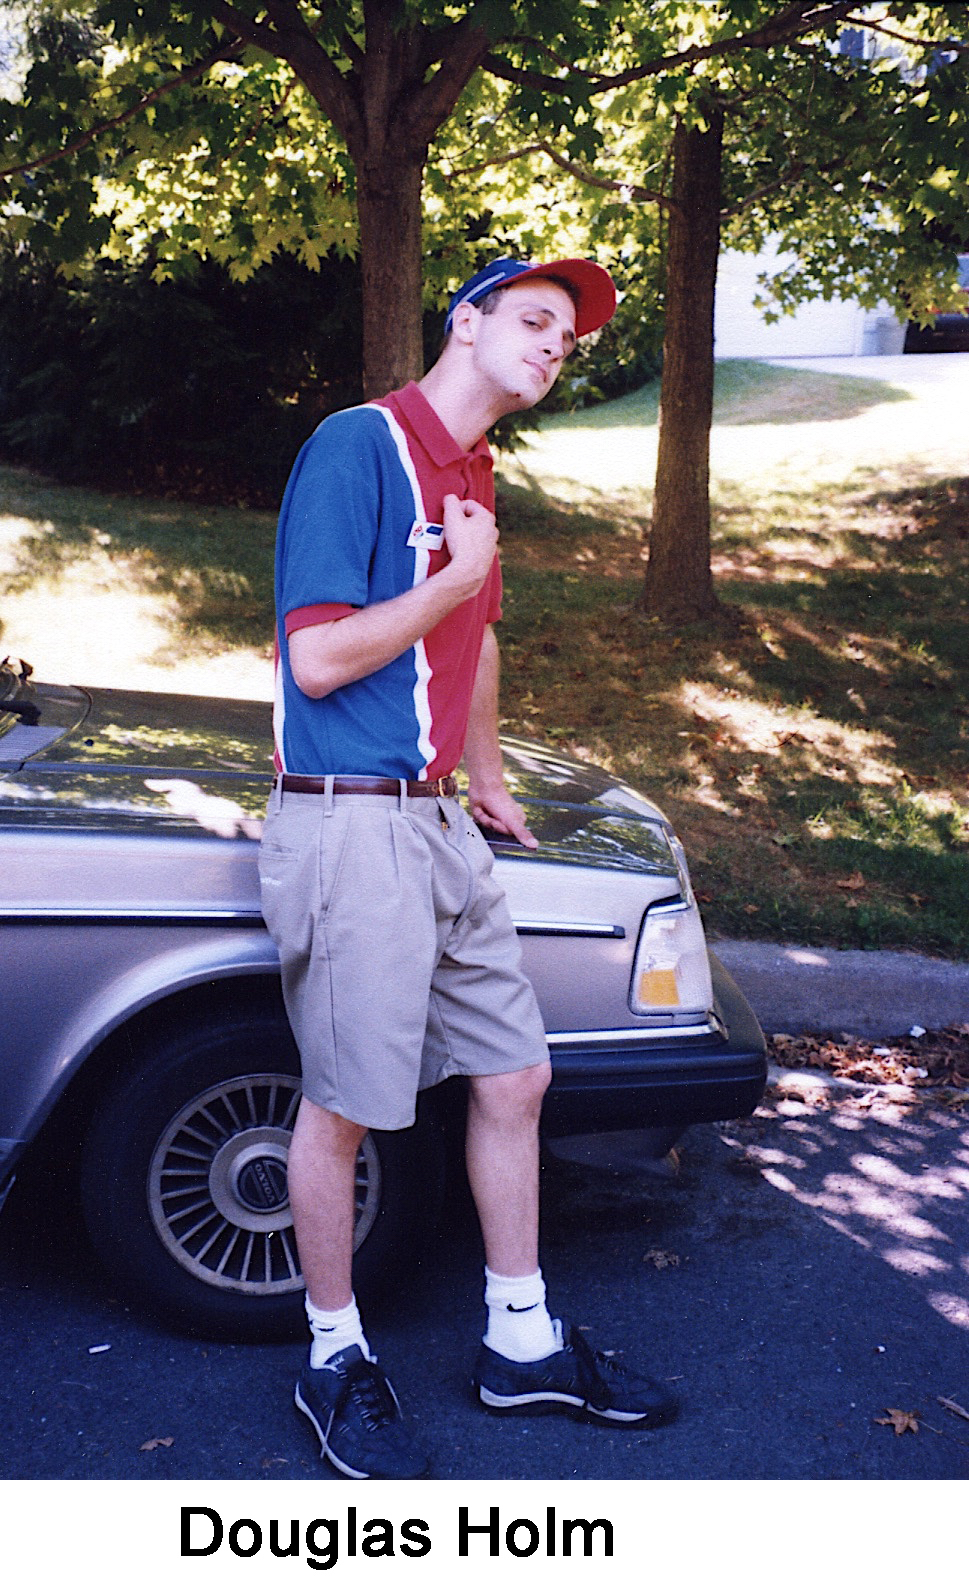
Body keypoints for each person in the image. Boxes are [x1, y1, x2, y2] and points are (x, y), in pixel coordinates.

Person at [258, 255, 678, 1479]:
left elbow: (473, 638)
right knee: (344, 1108)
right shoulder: (360, 448)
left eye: (569, 336)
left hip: (434, 823)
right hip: (346, 826)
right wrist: (452, 573)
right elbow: (322, 662)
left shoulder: (473, 471)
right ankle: (332, 1355)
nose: (557, 346)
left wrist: (483, 775)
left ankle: (521, 1343)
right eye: (535, 321)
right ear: (467, 320)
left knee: (515, 1077)